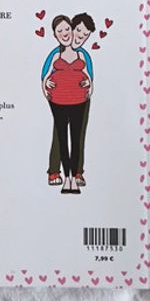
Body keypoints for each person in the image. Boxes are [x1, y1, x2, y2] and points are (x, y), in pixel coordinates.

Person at [41, 13, 95, 186]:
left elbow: (89, 75)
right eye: (78, 31)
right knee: (59, 134)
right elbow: (45, 72)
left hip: (81, 99)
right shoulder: (56, 53)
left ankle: (78, 172)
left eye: (85, 35)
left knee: (79, 136)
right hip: (60, 100)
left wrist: (89, 84)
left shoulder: (83, 54)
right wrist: (46, 84)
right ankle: (54, 171)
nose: (80, 36)